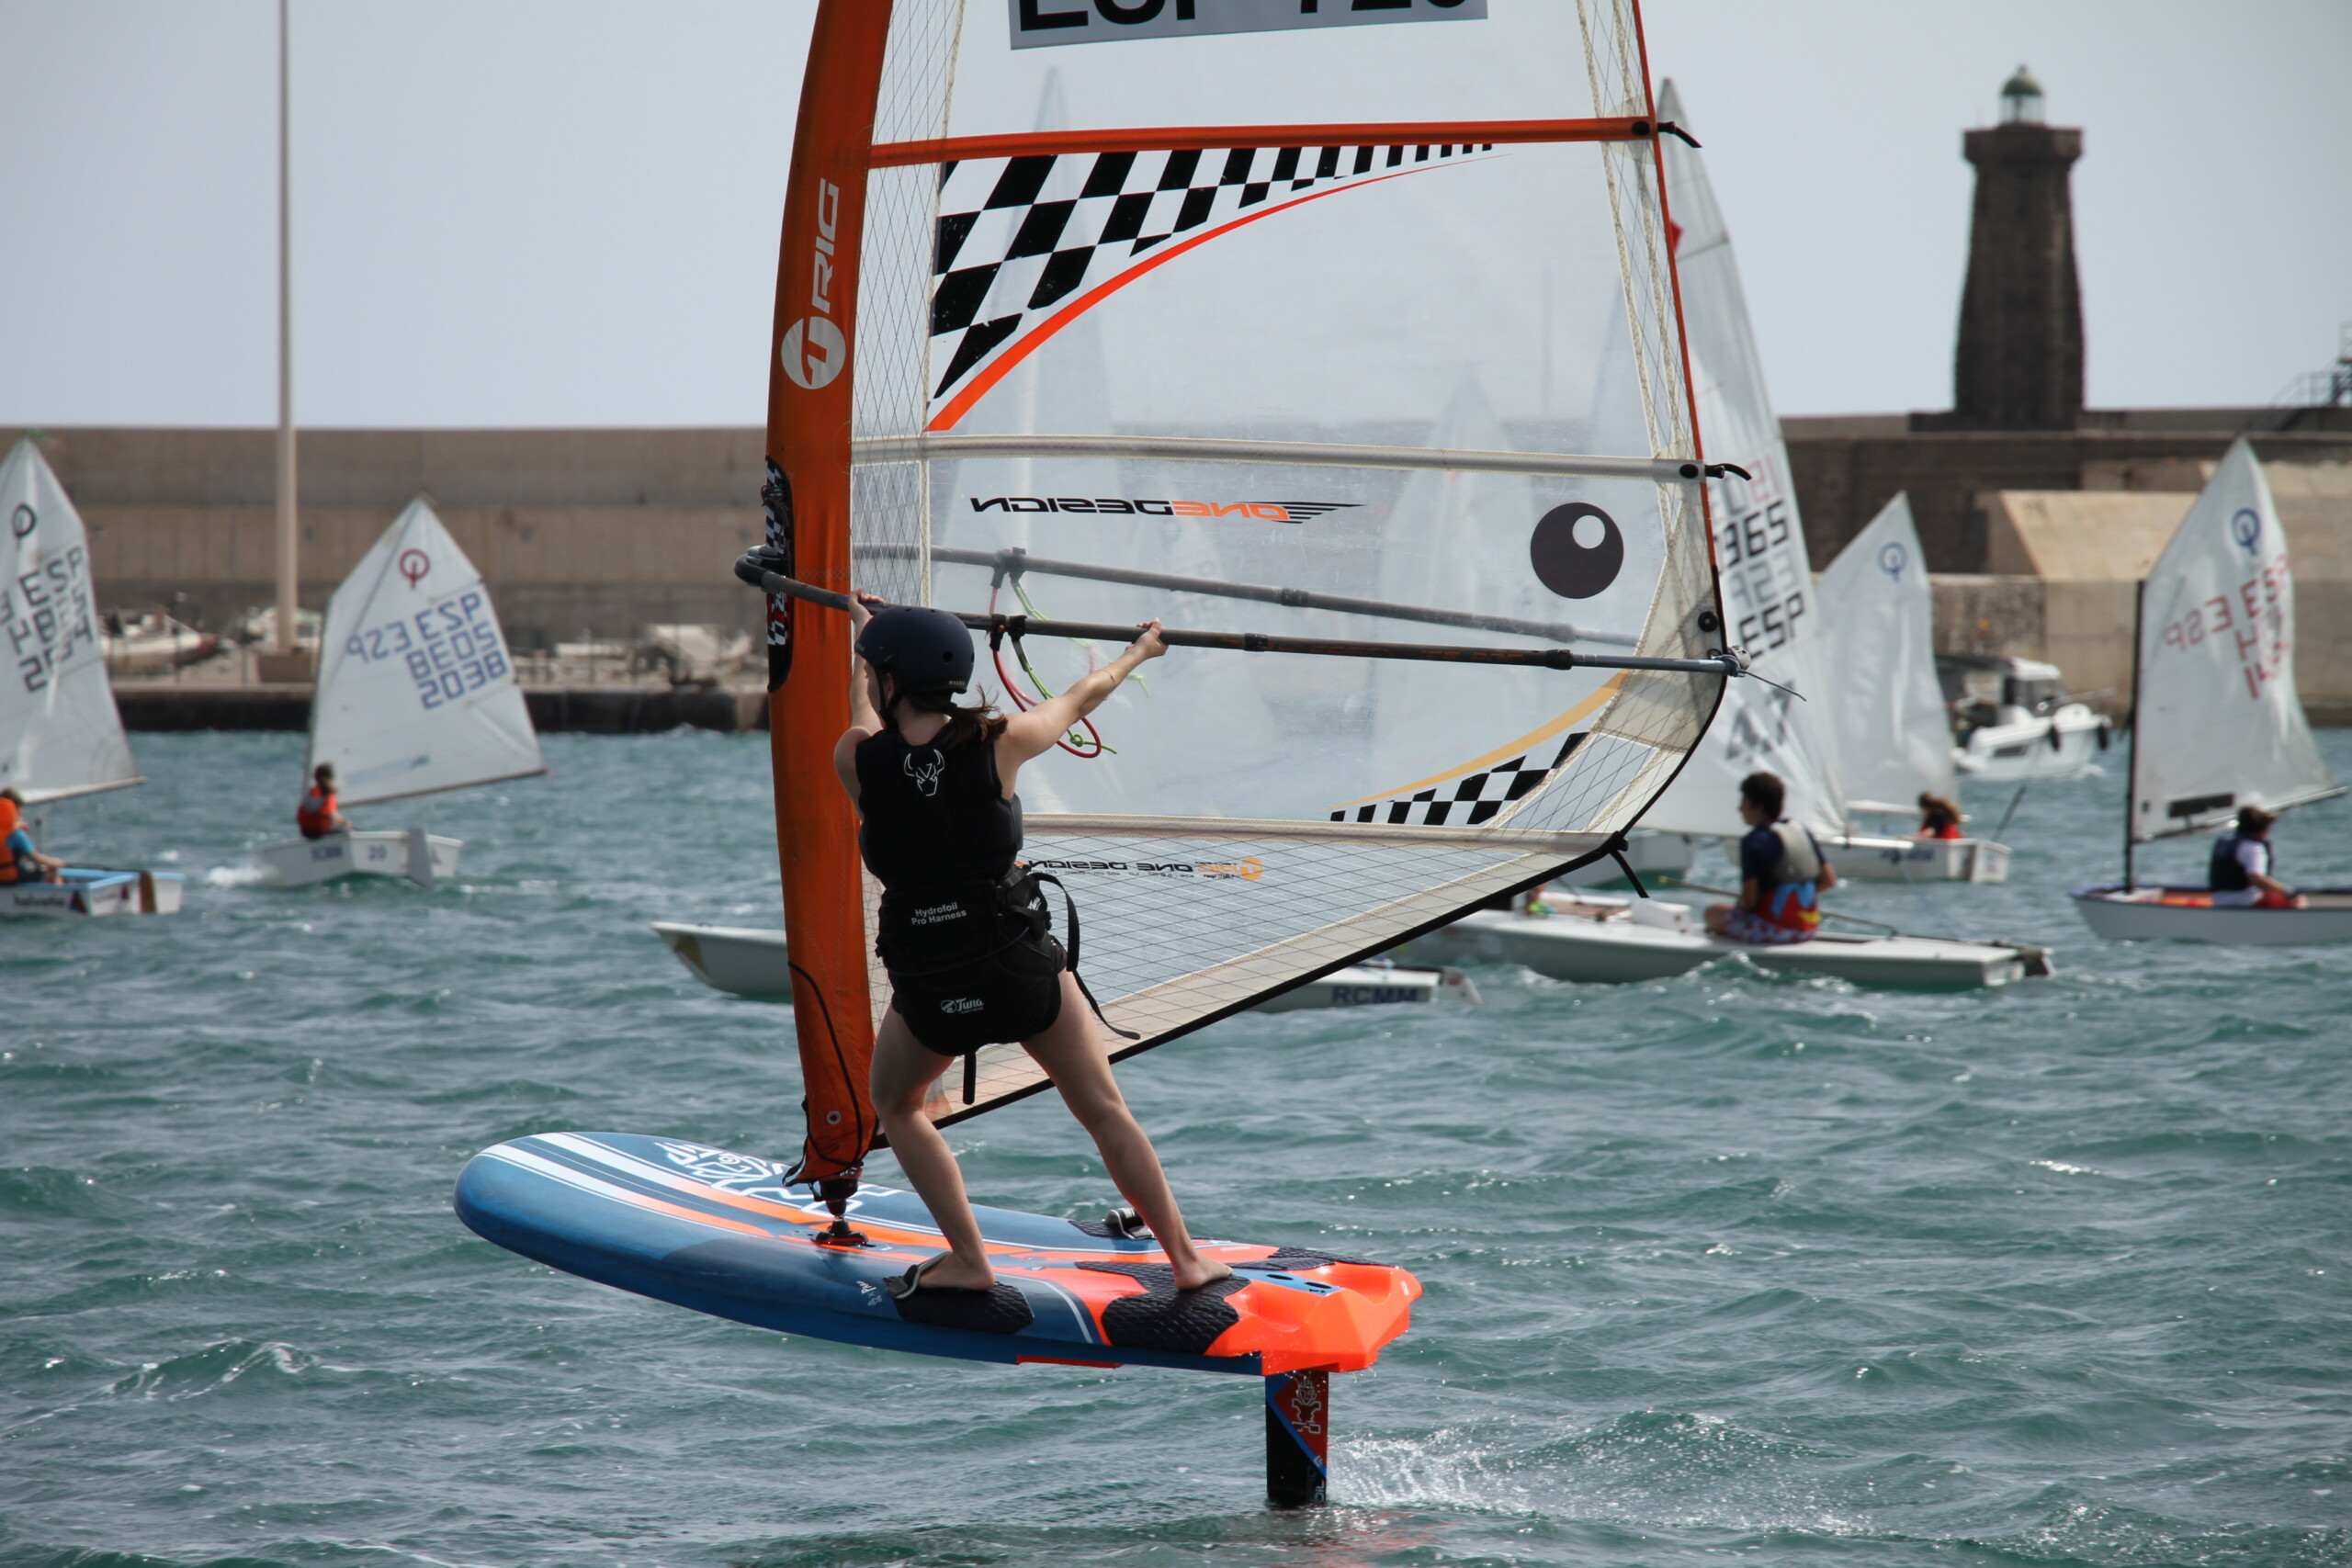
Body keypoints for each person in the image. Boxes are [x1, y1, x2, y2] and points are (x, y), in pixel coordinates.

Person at [836, 594, 1232, 1298]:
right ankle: (1187, 1259)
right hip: (1018, 969)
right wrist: (1140, 651)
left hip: (931, 983)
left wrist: (863, 628)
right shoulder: (1003, 741)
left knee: (896, 1105)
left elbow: (863, 710)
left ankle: (969, 1258)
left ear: (889, 678)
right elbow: (1082, 696)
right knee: (1103, 1108)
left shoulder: (857, 759)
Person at [1703, 771, 1837, 943]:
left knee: (1712, 913)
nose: (1740, 809)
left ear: (1758, 806)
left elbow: (1749, 902)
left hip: (1773, 931)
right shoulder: (1802, 831)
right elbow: (1828, 881)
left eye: (1744, 802)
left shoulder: (1752, 841)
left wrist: (1740, 904)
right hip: (1808, 930)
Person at [2210, 805, 2304, 909]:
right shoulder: (2253, 847)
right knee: (2297, 899)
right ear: (2263, 830)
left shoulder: (2225, 843)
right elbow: (2256, 879)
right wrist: (2289, 892)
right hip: (2246, 903)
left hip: (2219, 902)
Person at [0, 788, 65, 886]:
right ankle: (56, 894)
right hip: (12, 878)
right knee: (52, 871)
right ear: (14, 809)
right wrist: (57, 863)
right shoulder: (16, 833)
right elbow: (34, 857)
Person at [296, 763, 350, 840]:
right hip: (320, 833)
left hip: (307, 833)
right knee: (348, 831)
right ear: (331, 778)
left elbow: (299, 815)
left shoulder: (310, 793)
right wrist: (345, 822)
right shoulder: (327, 793)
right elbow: (331, 815)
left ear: (315, 778)